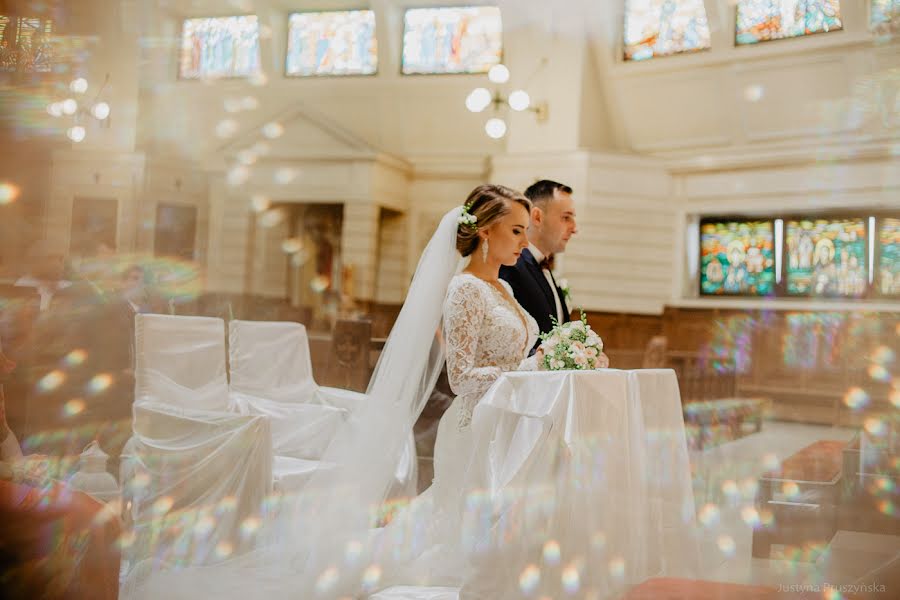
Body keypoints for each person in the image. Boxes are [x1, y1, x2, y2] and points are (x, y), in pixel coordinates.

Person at [122, 186, 610, 599]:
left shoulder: (504, 289)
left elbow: (512, 360)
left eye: (526, 231)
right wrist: (534, 369)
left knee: (497, 522)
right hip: (473, 425)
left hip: (506, 423)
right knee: (460, 531)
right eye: (517, 230)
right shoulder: (463, 290)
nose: (524, 242)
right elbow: (461, 378)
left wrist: (553, 361)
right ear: (485, 231)